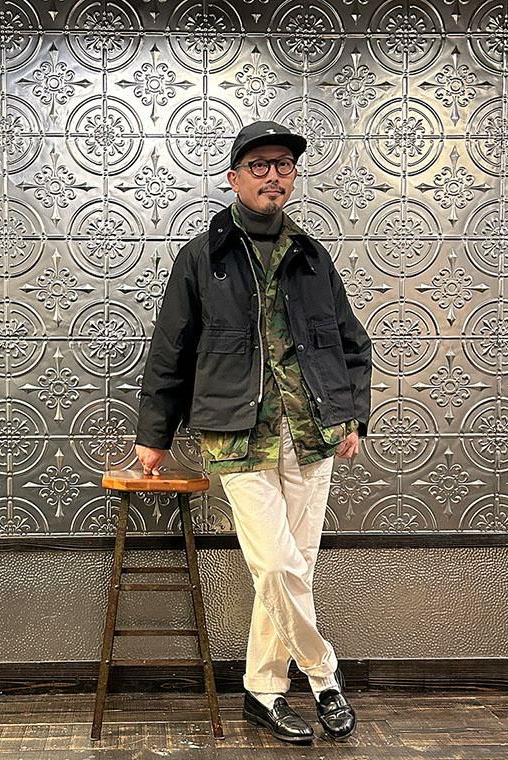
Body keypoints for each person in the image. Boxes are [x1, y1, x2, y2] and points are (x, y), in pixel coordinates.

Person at [135, 121, 372, 744]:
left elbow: (351, 343)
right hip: (237, 434)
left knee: (295, 569)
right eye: (260, 165)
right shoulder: (203, 256)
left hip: (312, 431)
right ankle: (324, 676)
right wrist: (154, 435)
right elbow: (170, 349)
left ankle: (263, 690)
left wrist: (353, 415)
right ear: (235, 177)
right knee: (276, 566)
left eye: (283, 166)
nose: (273, 176)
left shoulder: (311, 256)